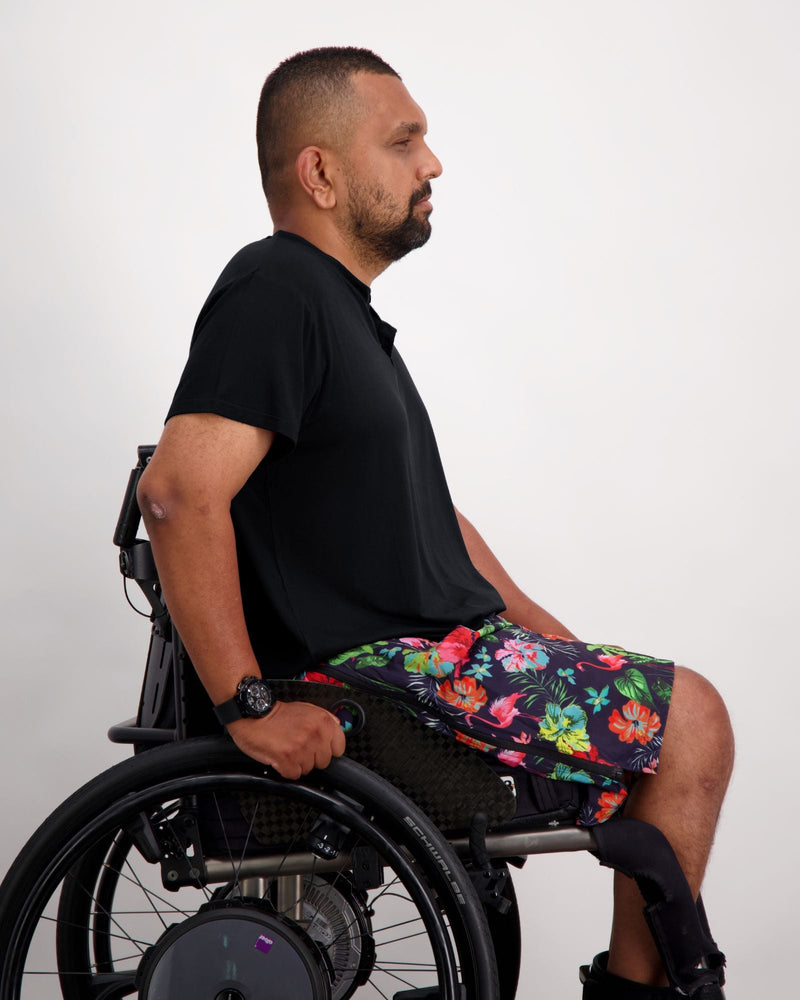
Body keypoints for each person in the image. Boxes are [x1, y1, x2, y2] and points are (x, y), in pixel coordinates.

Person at [137, 46, 734, 998]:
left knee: (676, 718)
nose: (433, 162)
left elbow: (430, 523)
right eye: (404, 139)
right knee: (691, 720)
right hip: (384, 677)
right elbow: (176, 493)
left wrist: (554, 644)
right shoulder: (277, 290)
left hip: (442, 657)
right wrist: (249, 704)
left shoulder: (339, 315)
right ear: (321, 172)